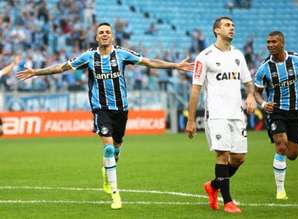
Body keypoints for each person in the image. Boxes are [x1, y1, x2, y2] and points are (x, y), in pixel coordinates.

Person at [16, 22, 193, 210]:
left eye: (108, 32)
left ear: (112, 36)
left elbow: (150, 62)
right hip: (101, 109)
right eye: (101, 32)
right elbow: (62, 68)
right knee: (108, 149)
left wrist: (175, 65)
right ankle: (116, 194)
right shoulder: (89, 57)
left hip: (121, 109)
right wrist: (36, 72)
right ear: (96, 37)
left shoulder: (122, 54)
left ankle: (107, 172)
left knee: (116, 149)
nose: (105, 34)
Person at [185, 17, 255, 213]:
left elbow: (248, 82)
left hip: (237, 114)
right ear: (216, 30)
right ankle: (229, 202)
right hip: (216, 114)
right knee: (222, 154)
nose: (231, 28)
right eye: (227, 25)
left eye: (233, 25)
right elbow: (195, 90)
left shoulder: (238, 55)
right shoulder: (204, 56)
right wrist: (191, 120)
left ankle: (213, 186)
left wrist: (250, 95)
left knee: (239, 158)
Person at [254, 31, 298, 200]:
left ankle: (281, 162)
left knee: (293, 154)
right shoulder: (264, 68)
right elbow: (257, 92)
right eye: (268, 42)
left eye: (274, 41)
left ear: (282, 43)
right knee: (281, 146)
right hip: (276, 111)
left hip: (295, 112)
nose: (270, 45)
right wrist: (263, 104)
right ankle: (280, 190)